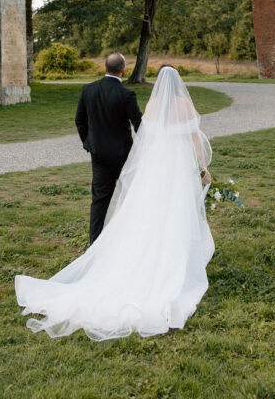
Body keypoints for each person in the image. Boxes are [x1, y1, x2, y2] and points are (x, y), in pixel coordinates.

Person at [15, 65, 214, 340]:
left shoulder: (154, 104)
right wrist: (203, 167)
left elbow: (146, 137)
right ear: (178, 82)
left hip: (157, 166)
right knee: (177, 210)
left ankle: (146, 252)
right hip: (178, 164)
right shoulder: (184, 105)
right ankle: (175, 256)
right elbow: (194, 139)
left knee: (151, 212)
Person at [74, 52, 142, 243]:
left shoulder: (88, 89)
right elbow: (138, 124)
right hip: (124, 156)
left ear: (106, 67)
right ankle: (132, 238)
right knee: (130, 196)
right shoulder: (127, 94)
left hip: (99, 156)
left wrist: (89, 143)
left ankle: (94, 243)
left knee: (99, 201)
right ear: (123, 70)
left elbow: (80, 120)